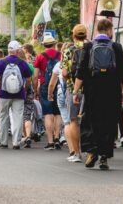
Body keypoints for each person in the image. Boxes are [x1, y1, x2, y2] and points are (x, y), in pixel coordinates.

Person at [74, 18, 123, 171]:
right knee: (109, 122)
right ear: (109, 30)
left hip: (92, 91)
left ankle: (92, 152)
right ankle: (104, 156)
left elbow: (81, 71)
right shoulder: (117, 47)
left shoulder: (89, 46)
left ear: (98, 29)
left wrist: (75, 91)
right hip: (112, 92)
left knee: (91, 121)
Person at [52, 24, 87, 163]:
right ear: (86, 34)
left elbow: (65, 72)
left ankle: (77, 153)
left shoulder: (68, 51)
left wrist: (70, 82)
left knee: (73, 121)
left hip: (73, 90)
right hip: (90, 90)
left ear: (73, 35)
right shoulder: (90, 48)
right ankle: (91, 151)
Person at [0, 41, 33, 150]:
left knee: (3, 116)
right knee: (18, 117)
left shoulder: (1, 62)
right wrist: (25, 89)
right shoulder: (22, 63)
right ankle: (16, 142)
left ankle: (3, 142)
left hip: (4, 94)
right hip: (19, 94)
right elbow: (28, 79)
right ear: (18, 51)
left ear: (9, 50)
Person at [34, 36, 62, 150]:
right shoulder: (60, 55)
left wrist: (36, 89)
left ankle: (50, 142)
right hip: (59, 84)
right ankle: (57, 138)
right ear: (54, 44)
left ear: (44, 45)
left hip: (45, 86)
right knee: (58, 113)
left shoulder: (40, 56)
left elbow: (35, 76)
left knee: (48, 114)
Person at [18, 48, 37, 148]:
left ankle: (25, 136)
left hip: (18, 93)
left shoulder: (16, 66)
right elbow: (34, 79)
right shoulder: (30, 66)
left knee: (20, 115)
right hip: (29, 92)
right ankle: (28, 136)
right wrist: (35, 90)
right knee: (27, 115)